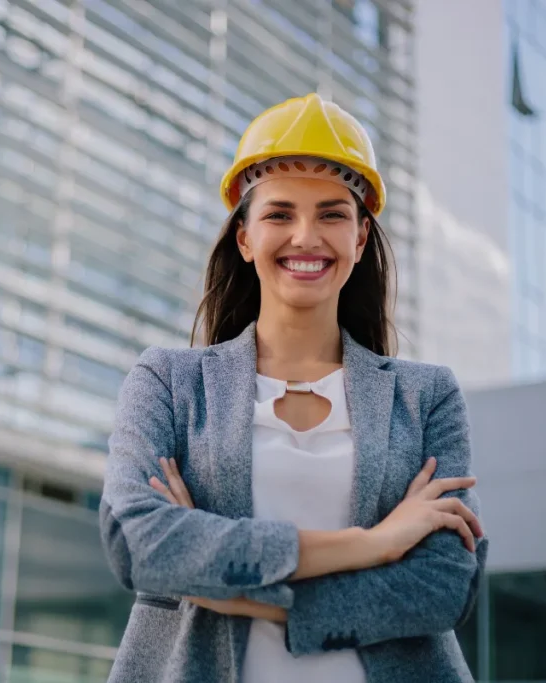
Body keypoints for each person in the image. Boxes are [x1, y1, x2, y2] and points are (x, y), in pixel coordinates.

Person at [99, 93, 488, 683]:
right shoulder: (168, 383)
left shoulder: (426, 396)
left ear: (360, 240)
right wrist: (375, 544)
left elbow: (441, 586)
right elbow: (140, 543)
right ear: (245, 239)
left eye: (332, 214)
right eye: (280, 214)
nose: (306, 236)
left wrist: (224, 590)